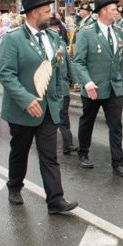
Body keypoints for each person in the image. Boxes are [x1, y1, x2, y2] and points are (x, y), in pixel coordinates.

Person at [0, 0, 78, 214]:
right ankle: (14, 186)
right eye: (47, 11)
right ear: (34, 13)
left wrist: (61, 96)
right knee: (20, 151)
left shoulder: (53, 37)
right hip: (23, 109)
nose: (51, 15)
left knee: (49, 155)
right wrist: (26, 99)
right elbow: (6, 74)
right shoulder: (14, 39)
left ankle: (55, 200)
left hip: (48, 108)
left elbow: (60, 69)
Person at [72, 0, 123, 177]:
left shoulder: (118, 31)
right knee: (88, 121)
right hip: (94, 87)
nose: (117, 12)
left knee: (116, 126)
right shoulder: (87, 32)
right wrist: (87, 82)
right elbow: (78, 61)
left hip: (114, 87)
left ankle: (118, 162)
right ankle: (83, 153)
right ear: (103, 11)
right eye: (113, 9)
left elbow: (118, 59)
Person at [48, 17, 78, 154]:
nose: (57, 30)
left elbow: (69, 64)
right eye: (54, 27)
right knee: (50, 118)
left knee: (63, 116)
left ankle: (68, 144)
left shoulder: (61, 44)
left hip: (63, 87)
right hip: (49, 88)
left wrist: (75, 80)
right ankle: (47, 145)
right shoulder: (44, 44)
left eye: (58, 27)